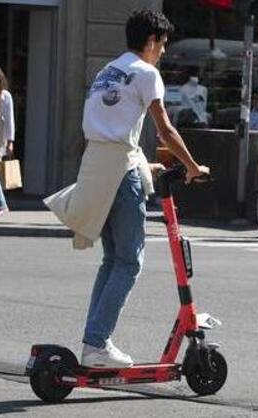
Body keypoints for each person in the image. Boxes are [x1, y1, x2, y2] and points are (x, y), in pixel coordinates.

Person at [44, 9, 210, 368]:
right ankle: (97, 343)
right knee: (129, 262)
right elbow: (165, 129)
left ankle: (94, 342)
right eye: (163, 45)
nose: (163, 52)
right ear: (151, 41)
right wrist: (193, 167)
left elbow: (108, 129)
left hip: (96, 168)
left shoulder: (107, 71)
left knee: (112, 260)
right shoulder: (147, 73)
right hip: (121, 173)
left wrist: (143, 161)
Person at [0, 67, 15, 216]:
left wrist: (10, 142)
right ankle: (1, 204)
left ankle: (1, 203)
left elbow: (10, 121)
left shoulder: (5, 96)